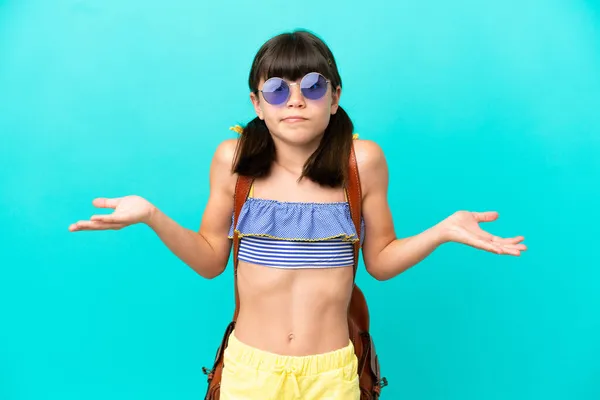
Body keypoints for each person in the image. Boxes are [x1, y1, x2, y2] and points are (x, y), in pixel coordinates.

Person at [69, 30, 527, 400]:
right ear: (256, 104)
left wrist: (442, 231)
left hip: (332, 373)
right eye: (276, 88)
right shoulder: (234, 159)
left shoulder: (361, 162)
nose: (295, 99)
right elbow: (211, 260)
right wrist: (152, 215)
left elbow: (381, 262)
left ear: (334, 97)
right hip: (251, 371)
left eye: (312, 86)